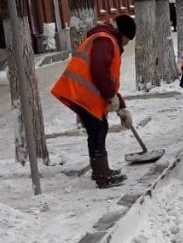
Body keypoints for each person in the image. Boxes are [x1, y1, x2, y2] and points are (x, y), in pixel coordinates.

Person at [52, 15, 136, 189]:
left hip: (84, 93)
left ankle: (100, 170)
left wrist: (121, 105)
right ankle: (102, 175)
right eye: (127, 39)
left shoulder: (106, 38)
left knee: (99, 128)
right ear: (121, 33)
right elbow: (99, 71)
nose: (126, 44)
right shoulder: (105, 40)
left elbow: (108, 78)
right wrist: (109, 95)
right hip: (82, 93)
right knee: (98, 129)